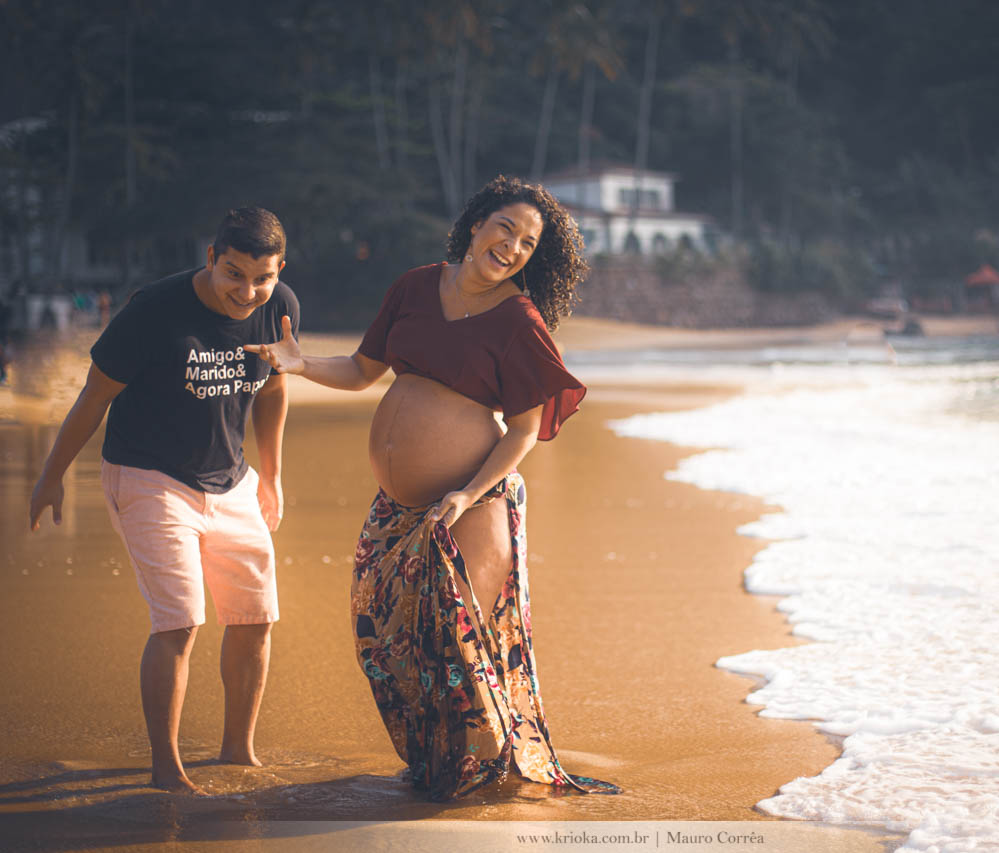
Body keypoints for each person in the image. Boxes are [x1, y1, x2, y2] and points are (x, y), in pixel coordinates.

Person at [246, 175, 618, 801]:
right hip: (398, 508)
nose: (513, 247)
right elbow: (364, 370)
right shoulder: (416, 286)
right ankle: (437, 761)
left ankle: (476, 774)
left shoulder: (517, 321)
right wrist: (302, 364)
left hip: (469, 504)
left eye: (528, 244)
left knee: (457, 648)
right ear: (477, 223)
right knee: (386, 640)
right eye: (506, 229)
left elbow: (525, 429)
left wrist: (468, 494)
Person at [28, 207, 299, 795]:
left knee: (255, 619)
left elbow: (275, 388)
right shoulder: (153, 309)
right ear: (210, 257)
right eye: (234, 273)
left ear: (280, 270)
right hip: (147, 475)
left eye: (262, 277)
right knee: (179, 621)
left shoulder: (279, 309)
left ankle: (237, 751)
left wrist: (272, 477)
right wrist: (51, 475)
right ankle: (166, 769)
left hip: (232, 481)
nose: (247, 292)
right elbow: (95, 395)